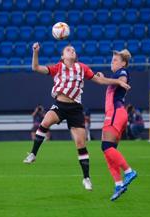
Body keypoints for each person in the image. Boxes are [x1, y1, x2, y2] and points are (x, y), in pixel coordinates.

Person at [23, 42, 130, 191]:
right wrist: (35, 52)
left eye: (73, 50)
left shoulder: (82, 68)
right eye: (68, 50)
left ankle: (86, 178)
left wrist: (117, 81)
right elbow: (35, 67)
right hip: (60, 105)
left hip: (75, 109)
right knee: (45, 121)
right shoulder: (58, 67)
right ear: (62, 56)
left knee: (81, 143)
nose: (71, 51)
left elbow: (99, 80)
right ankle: (33, 153)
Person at [100, 49, 137, 201]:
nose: (112, 61)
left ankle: (128, 171)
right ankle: (118, 184)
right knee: (109, 151)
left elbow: (123, 78)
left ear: (123, 63)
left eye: (116, 59)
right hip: (118, 114)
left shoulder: (122, 72)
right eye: (112, 59)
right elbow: (115, 81)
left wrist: (111, 80)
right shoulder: (116, 75)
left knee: (106, 147)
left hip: (115, 112)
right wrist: (105, 79)